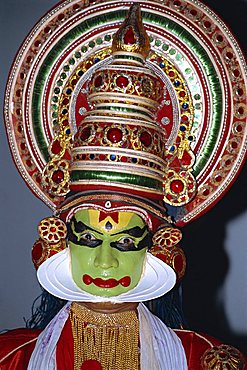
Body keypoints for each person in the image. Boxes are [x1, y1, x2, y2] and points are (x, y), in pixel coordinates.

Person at [1, 1, 246, 369]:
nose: (104, 261)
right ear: (56, 239)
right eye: (87, 237)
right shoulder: (10, 357)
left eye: (127, 241)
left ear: (160, 248)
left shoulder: (205, 360)